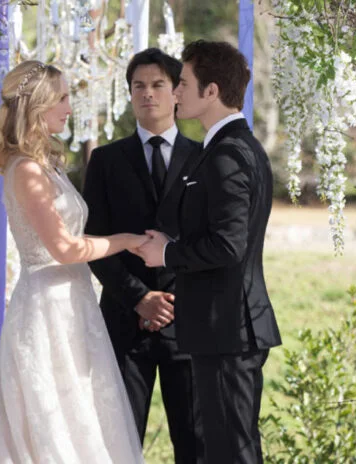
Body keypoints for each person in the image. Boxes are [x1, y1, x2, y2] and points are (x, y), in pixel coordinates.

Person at [0, 60, 146, 464]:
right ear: (38, 105)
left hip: (75, 303)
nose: (69, 108)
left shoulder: (47, 165)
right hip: (47, 308)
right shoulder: (26, 170)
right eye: (62, 98)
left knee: (81, 412)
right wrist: (126, 241)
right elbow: (65, 249)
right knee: (49, 417)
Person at [132, 40, 282, 464]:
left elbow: (229, 245)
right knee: (228, 449)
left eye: (182, 83)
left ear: (211, 91)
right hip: (223, 328)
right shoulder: (230, 148)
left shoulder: (227, 154)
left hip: (226, 328)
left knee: (230, 452)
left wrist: (167, 254)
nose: (175, 92)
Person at [83, 48, 202, 463]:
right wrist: (139, 298)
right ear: (130, 94)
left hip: (189, 322)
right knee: (117, 444)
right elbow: (94, 243)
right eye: (138, 86)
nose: (147, 93)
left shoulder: (204, 158)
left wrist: (169, 301)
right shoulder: (105, 160)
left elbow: (211, 240)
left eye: (157, 85)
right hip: (123, 322)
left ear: (176, 92)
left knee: (195, 444)